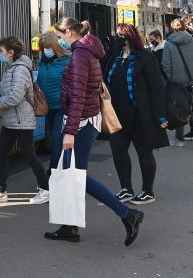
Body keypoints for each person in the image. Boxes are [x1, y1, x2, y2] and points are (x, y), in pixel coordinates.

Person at [44, 17, 144, 247]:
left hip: (79, 124)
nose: (60, 42)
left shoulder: (80, 56)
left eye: (60, 37)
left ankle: (128, 214)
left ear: (69, 32)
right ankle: (70, 227)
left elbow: (78, 96)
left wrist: (69, 132)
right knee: (71, 176)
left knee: (76, 176)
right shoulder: (89, 51)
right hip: (85, 121)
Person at [0, 36, 50, 205]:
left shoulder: (20, 70)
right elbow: (1, 89)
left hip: (21, 120)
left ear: (10, 53)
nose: (0, 54)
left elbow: (14, 97)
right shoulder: (10, 68)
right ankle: (0, 190)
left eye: (1, 51)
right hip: (11, 120)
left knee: (29, 155)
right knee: (1, 151)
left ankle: (46, 189)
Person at [105, 23, 169, 205]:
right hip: (117, 114)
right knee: (118, 150)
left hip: (140, 115)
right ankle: (126, 188)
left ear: (129, 36)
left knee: (144, 153)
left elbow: (157, 87)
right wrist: (111, 51)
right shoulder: (115, 57)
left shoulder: (146, 57)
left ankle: (148, 191)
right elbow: (104, 75)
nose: (117, 38)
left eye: (120, 35)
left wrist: (161, 115)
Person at [162, 18, 193, 149]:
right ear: (184, 27)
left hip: (177, 83)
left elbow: (166, 65)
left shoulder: (169, 44)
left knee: (179, 110)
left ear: (172, 29)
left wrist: (171, 78)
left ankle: (179, 139)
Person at [35, 31, 71, 174]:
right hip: (47, 107)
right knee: (51, 142)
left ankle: (53, 173)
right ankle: (62, 170)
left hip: (61, 107)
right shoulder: (43, 61)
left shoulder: (67, 61)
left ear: (55, 47)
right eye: (43, 48)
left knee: (57, 140)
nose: (45, 51)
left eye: (48, 47)